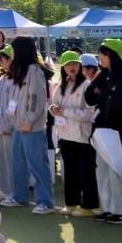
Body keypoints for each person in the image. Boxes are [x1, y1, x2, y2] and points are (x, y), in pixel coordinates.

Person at [2, 37, 55, 214]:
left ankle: (45, 201)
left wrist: (29, 120)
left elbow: (37, 99)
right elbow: (15, 98)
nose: (12, 55)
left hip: (32, 127)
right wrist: (13, 120)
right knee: (17, 162)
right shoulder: (19, 71)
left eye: (15, 51)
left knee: (37, 164)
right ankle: (19, 196)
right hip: (18, 125)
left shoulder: (34, 71)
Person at [86, 40, 122, 224]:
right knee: (103, 173)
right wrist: (101, 95)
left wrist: (103, 96)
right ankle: (108, 208)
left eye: (104, 54)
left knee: (119, 173)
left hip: (118, 133)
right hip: (101, 132)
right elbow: (90, 96)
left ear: (113, 55)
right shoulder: (103, 75)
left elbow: (120, 105)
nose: (100, 58)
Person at [51, 51, 98, 216]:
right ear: (63, 67)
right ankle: (71, 203)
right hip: (65, 135)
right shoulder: (62, 85)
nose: (72, 67)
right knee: (69, 171)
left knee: (85, 171)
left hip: (81, 136)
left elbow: (89, 113)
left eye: (75, 64)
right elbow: (53, 104)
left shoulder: (86, 85)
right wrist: (53, 109)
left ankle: (88, 205)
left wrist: (64, 112)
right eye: (68, 64)